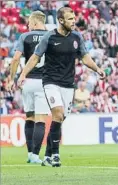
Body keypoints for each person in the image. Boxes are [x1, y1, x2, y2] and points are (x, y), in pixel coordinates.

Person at [17, 7, 106, 167]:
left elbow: (85, 58)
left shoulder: (77, 37)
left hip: (68, 84)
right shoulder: (49, 37)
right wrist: (23, 74)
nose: (74, 21)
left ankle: (48, 155)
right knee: (57, 113)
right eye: (70, 19)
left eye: (74, 18)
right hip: (50, 82)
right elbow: (35, 58)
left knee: (60, 119)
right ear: (61, 20)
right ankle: (56, 154)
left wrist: (97, 69)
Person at [9, 11, 49, 164]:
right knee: (41, 119)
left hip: (27, 81)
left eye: (29, 23)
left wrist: (12, 78)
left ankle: (30, 153)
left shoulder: (25, 36)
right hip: (44, 82)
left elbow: (16, 58)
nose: (28, 26)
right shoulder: (52, 36)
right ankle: (35, 155)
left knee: (29, 117)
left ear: (35, 22)